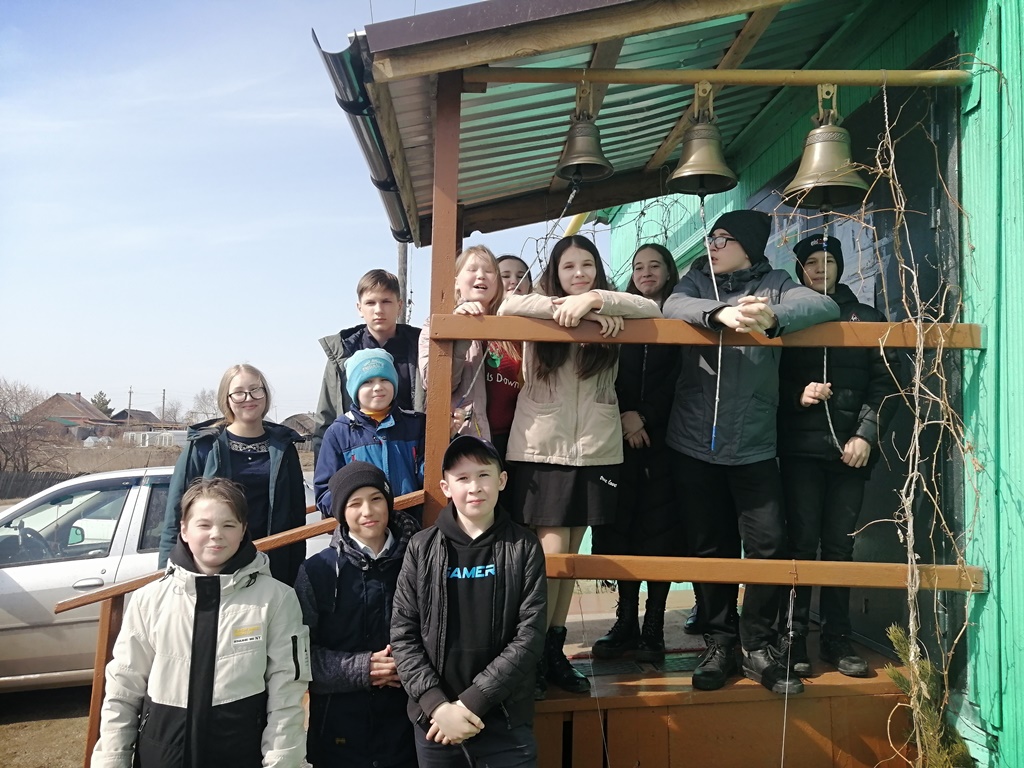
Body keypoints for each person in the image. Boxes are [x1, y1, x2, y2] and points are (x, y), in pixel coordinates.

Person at [662, 210, 839, 696]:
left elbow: (822, 304)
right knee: (709, 546)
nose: (713, 246)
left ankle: (757, 644)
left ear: (748, 245)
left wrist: (772, 317)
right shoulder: (697, 280)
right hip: (693, 441)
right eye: (711, 238)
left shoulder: (777, 283)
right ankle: (720, 644)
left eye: (723, 239)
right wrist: (718, 313)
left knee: (768, 545)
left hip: (755, 443)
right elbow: (672, 305)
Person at [498, 235, 661, 697]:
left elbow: (652, 308)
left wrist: (596, 302)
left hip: (593, 447)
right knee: (551, 555)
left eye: (587, 265)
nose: (579, 274)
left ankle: (552, 649)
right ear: (555, 272)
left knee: (570, 556)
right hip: (542, 447)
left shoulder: (610, 305)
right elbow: (508, 306)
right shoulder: (535, 306)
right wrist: (566, 310)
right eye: (568, 267)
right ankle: (531, 652)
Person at [92, 477, 311, 768]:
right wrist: (112, 760)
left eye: (228, 525)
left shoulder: (277, 599)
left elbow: (287, 693)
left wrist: (283, 762)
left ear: (244, 530)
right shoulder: (149, 600)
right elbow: (123, 689)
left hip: (239, 755)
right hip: (161, 757)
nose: (216, 535)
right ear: (184, 529)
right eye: (204, 525)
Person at [777, 234, 899, 678]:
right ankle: (793, 637)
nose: (819, 268)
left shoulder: (867, 317)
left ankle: (836, 638)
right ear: (799, 269)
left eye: (828, 260)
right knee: (800, 543)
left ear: (840, 266)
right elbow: (766, 378)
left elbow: (887, 381)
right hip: (800, 452)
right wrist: (799, 394)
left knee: (839, 546)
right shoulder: (789, 318)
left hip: (851, 454)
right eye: (810, 261)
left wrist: (866, 435)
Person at [390, 435, 546, 767]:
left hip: (505, 719)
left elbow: (530, 635)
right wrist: (436, 705)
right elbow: (403, 634)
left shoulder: (525, 546)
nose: (474, 487)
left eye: (483, 475)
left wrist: (472, 702)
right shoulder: (421, 547)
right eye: (462, 478)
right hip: (437, 724)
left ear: (502, 480)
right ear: (446, 487)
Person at [296, 461, 420, 768]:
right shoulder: (317, 571)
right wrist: (362, 668)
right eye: (355, 503)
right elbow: (298, 658)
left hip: (408, 726)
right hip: (337, 729)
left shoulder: (418, 561)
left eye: (376, 499)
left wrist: (408, 666)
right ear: (341, 511)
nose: (368, 511)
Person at [591, 243, 682, 662]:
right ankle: (625, 620)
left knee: (660, 534)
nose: (646, 273)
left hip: (666, 440)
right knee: (621, 531)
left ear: (668, 271)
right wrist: (626, 416)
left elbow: (681, 377)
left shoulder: (679, 314)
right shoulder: (619, 314)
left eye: (654, 265)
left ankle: (654, 627)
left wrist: (645, 416)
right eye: (639, 266)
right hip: (618, 440)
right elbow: (604, 373)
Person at [158, 364, 306, 585]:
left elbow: (296, 517)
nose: (248, 398)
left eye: (255, 390)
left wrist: (295, 575)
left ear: (265, 394)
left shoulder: (284, 449)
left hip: (271, 563)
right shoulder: (203, 447)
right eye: (238, 392)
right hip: (214, 567)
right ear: (226, 399)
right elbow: (175, 514)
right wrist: (167, 573)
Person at [313, 269, 422, 465]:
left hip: (410, 458)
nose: (378, 309)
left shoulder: (421, 347)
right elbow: (325, 419)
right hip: (357, 458)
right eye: (370, 303)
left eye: (386, 301)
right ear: (359, 308)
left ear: (399, 305)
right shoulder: (343, 351)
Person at [313, 349, 425, 519]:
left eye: (385, 379)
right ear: (354, 388)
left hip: (413, 525)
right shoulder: (338, 433)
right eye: (367, 381)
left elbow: (433, 475)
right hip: (363, 526)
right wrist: (358, 509)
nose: (378, 387)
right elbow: (325, 493)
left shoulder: (417, 424)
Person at [419, 245, 503, 441]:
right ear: (456, 282)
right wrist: (459, 334)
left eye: (489, 271)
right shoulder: (436, 324)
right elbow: (433, 383)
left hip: (513, 437)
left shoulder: (509, 324)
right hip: (467, 435)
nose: (481, 276)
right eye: (472, 269)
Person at [487, 254, 533, 463]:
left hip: (525, 437)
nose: (514, 281)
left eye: (521, 276)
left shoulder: (538, 333)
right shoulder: (479, 326)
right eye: (505, 275)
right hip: (484, 434)